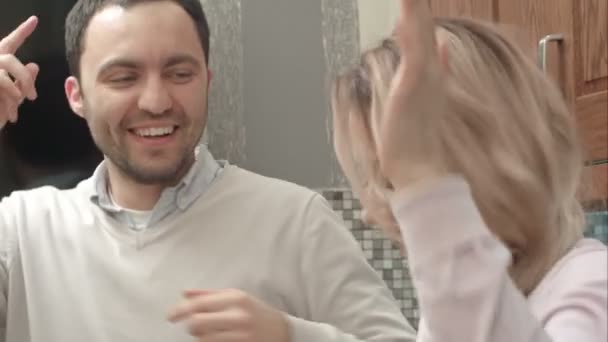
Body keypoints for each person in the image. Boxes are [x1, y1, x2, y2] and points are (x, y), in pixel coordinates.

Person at [0, 1, 416, 341]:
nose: (156, 101)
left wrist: (292, 336)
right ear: (77, 96)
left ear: (206, 80)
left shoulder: (295, 220)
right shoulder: (21, 231)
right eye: (124, 77)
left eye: (180, 74)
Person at [330, 0, 607, 341]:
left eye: (391, 179)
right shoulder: (457, 307)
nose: (367, 215)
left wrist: (420, 181)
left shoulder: (592, 286)